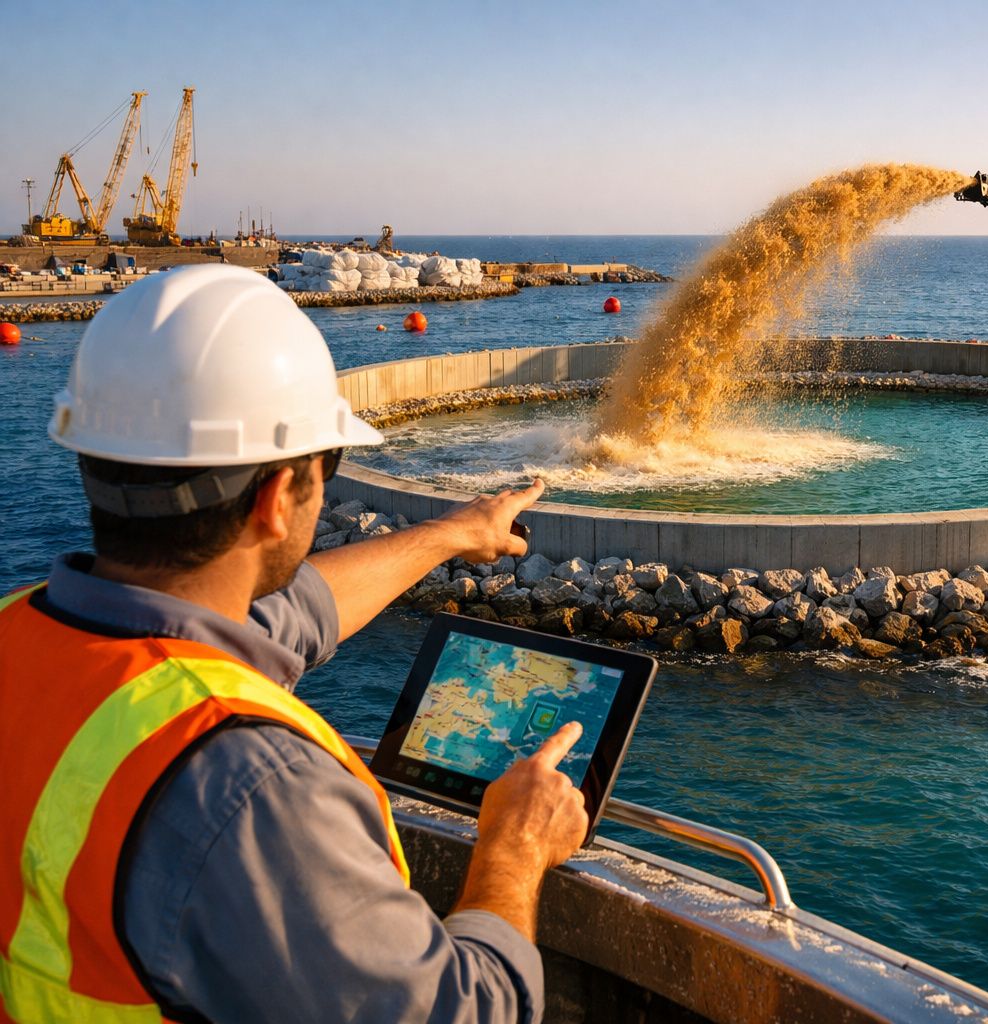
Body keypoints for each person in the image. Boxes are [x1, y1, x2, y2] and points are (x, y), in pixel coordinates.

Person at [0, 265, 586, 1022]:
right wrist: (516, 846)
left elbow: (294, 613)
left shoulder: (28, 632)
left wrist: (452, 534)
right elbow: (464, 1011)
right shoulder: (250, 784)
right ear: (279, 498)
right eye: (327, 465)